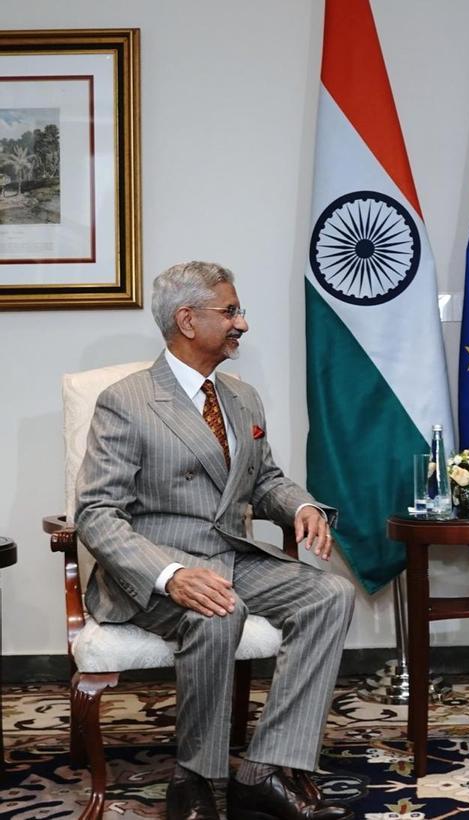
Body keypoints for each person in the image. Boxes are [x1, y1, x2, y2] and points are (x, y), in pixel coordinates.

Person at [75, 261, 357, 820]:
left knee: (331, 595)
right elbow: (96, 512)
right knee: (217, 610)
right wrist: (170, 575)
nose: (242, 324)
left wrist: (300, 506)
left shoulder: (242, 397)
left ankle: (264, 767)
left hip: (232, 553)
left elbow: (265, 478)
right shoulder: (126, 401)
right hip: (156, 565)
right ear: (187, 319)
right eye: (230, 312)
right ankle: (195, 778)